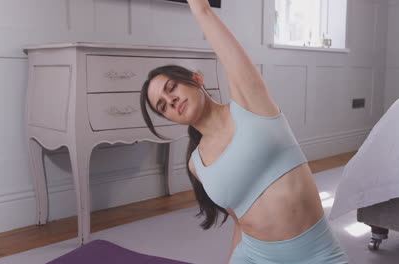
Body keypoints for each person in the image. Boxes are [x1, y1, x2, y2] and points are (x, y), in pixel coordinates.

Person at [140, 0, 349, 263]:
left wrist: (201, 9)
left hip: (316, 255)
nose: (170, 101)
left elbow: (222, 43)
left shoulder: (250, 104)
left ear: (197, 79)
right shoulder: (196, 164)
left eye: (172, 88)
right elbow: (240, 220)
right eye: (162, 106)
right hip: (254, 257)